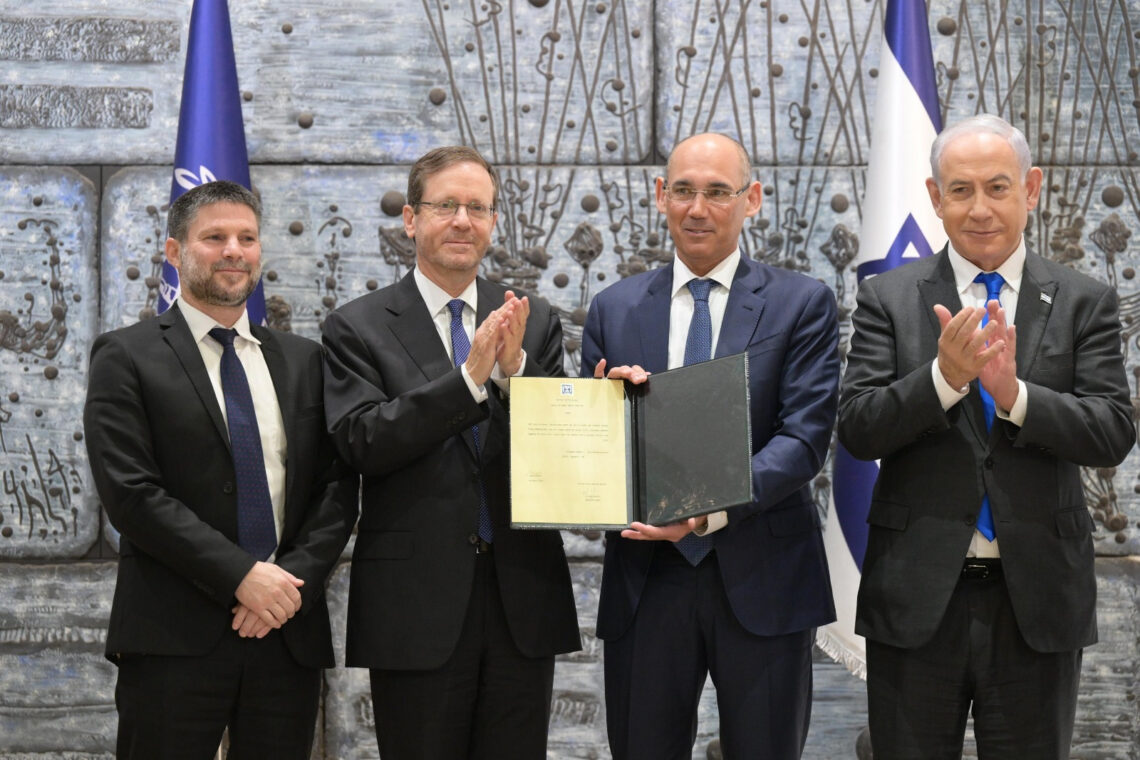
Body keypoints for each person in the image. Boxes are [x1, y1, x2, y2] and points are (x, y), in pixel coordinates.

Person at [839, 114, 1135, 759]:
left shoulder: (1084, 300)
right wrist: (944, 379)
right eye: (961, 190)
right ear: (934, 196)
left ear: (1030, 189)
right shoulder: (888, 296)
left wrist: (1014, 395)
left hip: (1035, 602)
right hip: (917, 600)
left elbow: (1111, 431)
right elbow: (859, 428)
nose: (980, 209)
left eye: (997, 188)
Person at [580, 133, 839, 759]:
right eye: (685, 191)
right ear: (660, 196)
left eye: (718, 192)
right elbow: (595, 455)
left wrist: (703, 510)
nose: (699, 208)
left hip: (764, 575)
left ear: (751, 200)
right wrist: (599, 416)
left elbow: (803, 441)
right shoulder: (612, 308)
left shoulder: (802, 302)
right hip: (647, 581)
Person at [321, 145, 581, 759]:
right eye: (446, 206)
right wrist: (467, 381)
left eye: (478, 207)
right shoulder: (357, 326)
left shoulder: (533, 319)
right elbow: (363, 440)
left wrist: (516, 372)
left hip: (522, 595)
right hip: (416, 605)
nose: (463, 220)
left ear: (493, 221)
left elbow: (562, 452)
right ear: (411, 220)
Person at [83, 180, 358, 758]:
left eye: (247, 237)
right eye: (214, 237)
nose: (234, 249)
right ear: (174, 252)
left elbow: (336, 489)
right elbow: (132, 495)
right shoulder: (126, 355)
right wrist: (243, 575)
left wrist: (287, 590)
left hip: (285, 634)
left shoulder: (305, 360)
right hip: (171, 639)